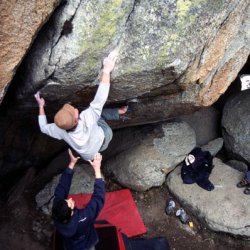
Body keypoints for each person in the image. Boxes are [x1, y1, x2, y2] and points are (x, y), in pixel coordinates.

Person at [34, 50, 127, 161]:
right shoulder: (86, 118)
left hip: (95, 151)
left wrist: (41, 106)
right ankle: (119, 112)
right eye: (75, 111)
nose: (75, 108)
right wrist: (106, 70)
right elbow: (100, 99)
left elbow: (43, 128)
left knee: (94, 114)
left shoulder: (60, 130)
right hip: (106, 135)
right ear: (77, 120)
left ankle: (118, 113)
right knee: (97, 113)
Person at [52, 149, 105, 250]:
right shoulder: (83, 218)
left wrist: (72, 163)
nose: (71, 199)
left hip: (70, 244)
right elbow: (98, 199)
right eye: (70, 203)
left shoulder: (57, 211)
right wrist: (97, 170)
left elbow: (62, 187)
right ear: (71, 213)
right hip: (87, 244)